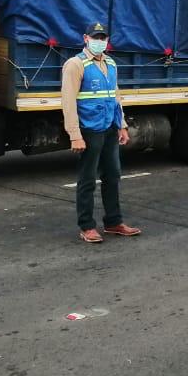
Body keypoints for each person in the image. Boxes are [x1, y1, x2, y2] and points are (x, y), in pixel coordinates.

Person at [61, 22, 141, 243]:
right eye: (96, 37)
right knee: (87, 179)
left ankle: (114, 222)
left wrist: (122, 125)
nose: (100, 41)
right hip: (89, 130)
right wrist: (75, 134)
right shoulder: (75, 65)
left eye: (103, 38)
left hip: (109, 128)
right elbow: (68, 101)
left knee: (112, 175)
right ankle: (86, 226)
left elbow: (115, 97)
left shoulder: (111, 63)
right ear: (86, 38)